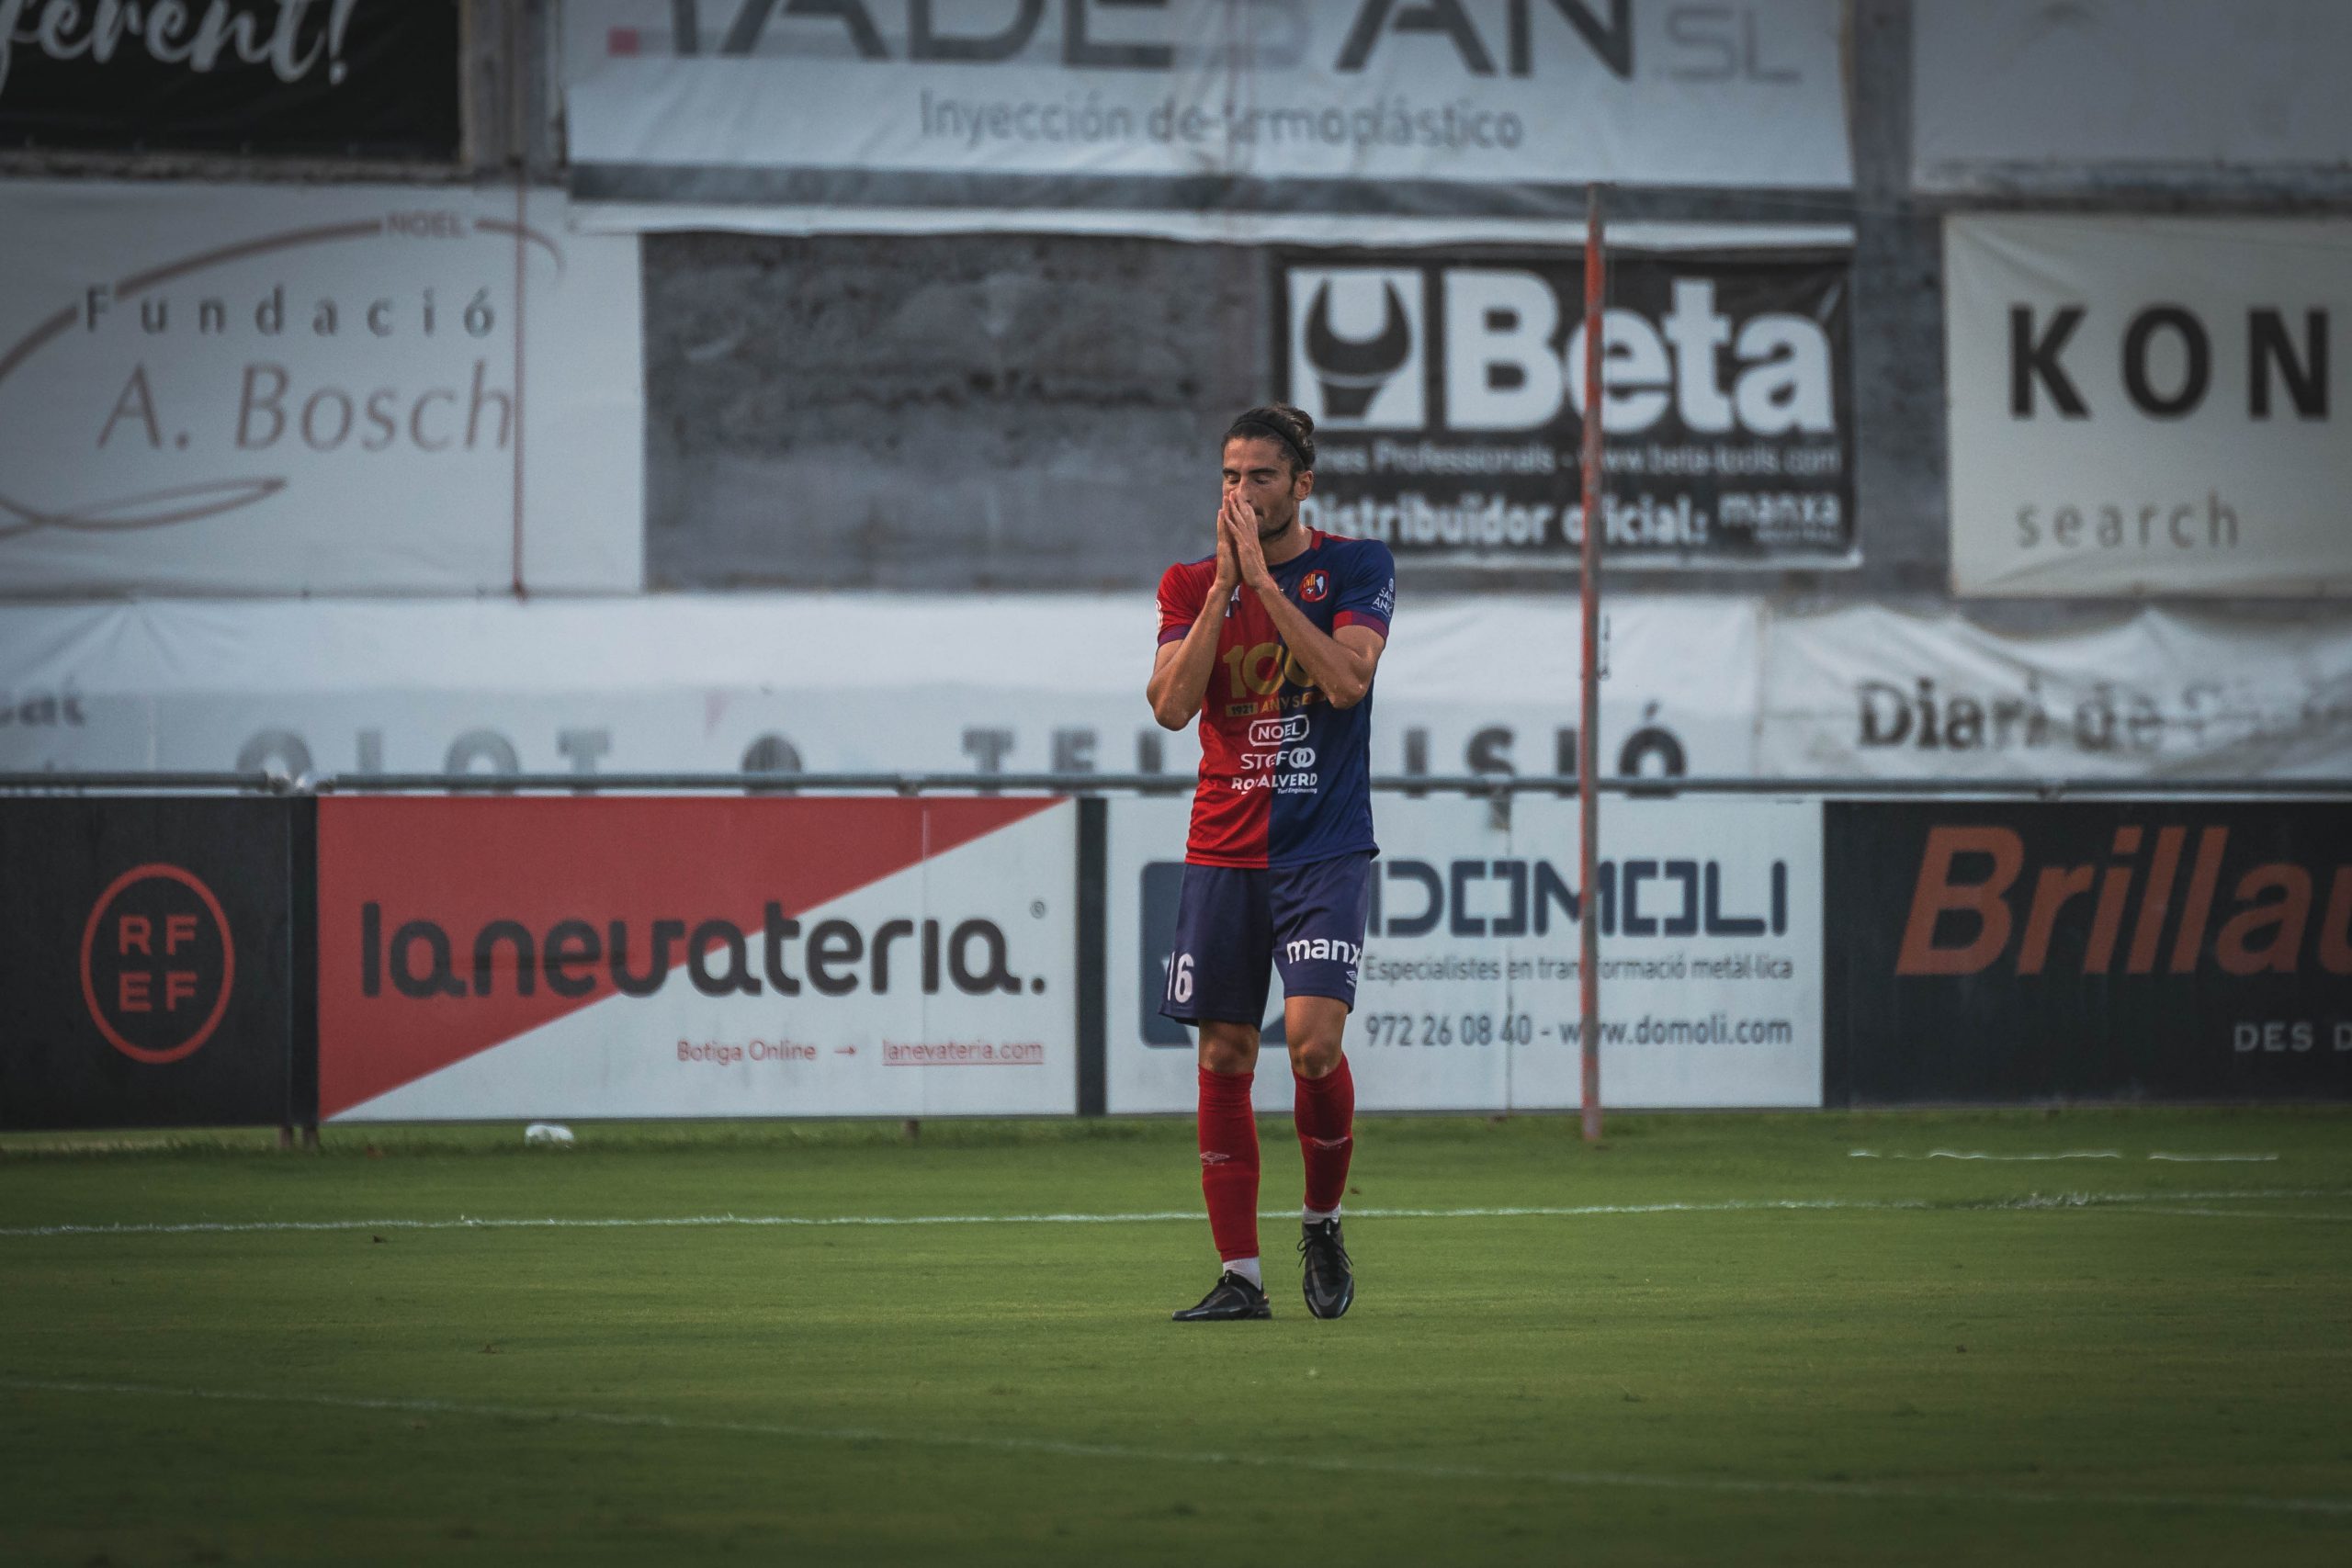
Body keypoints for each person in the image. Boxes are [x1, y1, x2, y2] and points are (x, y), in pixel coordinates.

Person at [1146, 403, 1396, 1322]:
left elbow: (1346, 680)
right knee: (1224, 1051)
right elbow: (1171, 708)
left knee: (1314, 1044)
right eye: (1229, 476)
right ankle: (1241, 1278)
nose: (1241, 492)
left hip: (1322, 846)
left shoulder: (1358, 566)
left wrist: (1266, 583)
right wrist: (1226, 588)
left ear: (1301, 485)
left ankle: (1321, 1222)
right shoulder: (1187, 582)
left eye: (1260, 476)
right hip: (1224, 848)